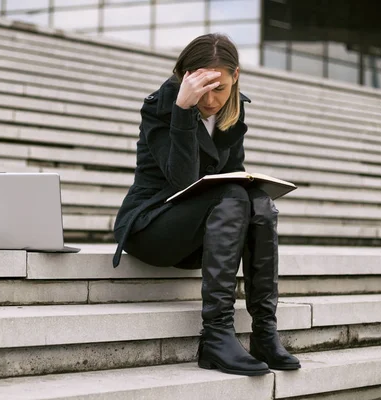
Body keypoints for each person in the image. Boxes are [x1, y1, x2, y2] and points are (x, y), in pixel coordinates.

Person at [112, 33, 300, 376]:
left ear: (236, 76)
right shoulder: (162, 105)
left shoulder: (233, 109)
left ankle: (264, 333)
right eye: (203, 88)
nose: (211, 100)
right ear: (186, 78)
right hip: (153, 227)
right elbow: (183, 183)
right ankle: (215, 336)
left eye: (220, 88)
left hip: (202, 235)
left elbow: (231, 176)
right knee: (234, 195)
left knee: (258, 202)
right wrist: (183, 110)